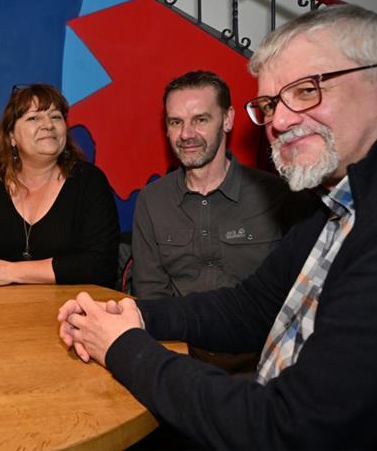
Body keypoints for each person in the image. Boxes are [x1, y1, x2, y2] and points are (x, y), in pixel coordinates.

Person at [58, 4, 377, 448]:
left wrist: (122, 347)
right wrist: (138, 314)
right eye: (271, 104)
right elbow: (250, 307)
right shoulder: (334, 208)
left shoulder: (363, 217)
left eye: (308, 90)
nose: (282, 120)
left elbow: (287, 429)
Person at [133, 70, 312, 299]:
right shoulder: (153, 200)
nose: (186, 134)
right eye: (176, 122)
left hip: (257, 333)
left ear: (227, 119)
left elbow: (297, 291)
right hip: (177, 332)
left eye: (200, 120)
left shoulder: (277, 195)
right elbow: (151, 294)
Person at [0, 83, 120, 287]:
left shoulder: (89, 182)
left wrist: (12, 271)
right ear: (11, 136)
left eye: (56, 117)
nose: (48, 124)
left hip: (71, 313)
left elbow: (99, 266)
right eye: (33, 118)